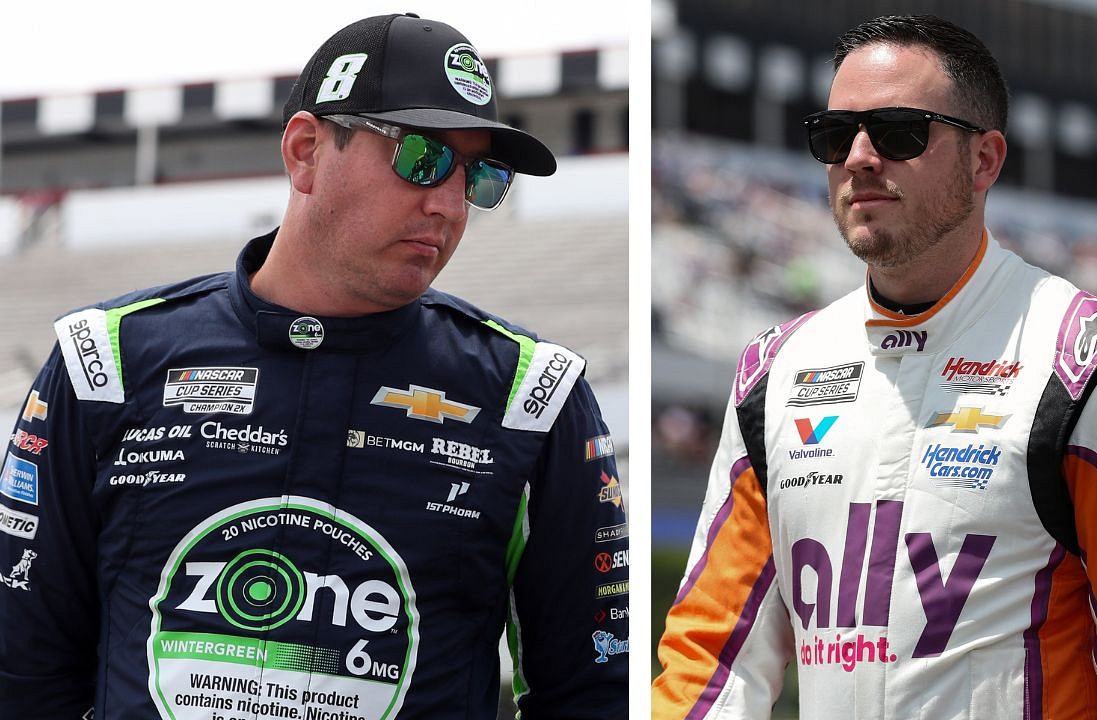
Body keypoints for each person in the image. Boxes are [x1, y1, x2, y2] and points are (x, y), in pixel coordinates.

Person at [0, 13, 627, 719]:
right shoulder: (103, 363)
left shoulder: (532, 395)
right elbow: (22, 675)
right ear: (305, 151)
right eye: (422, 157)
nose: (448, 203)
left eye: (480, 176)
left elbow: (592, 692)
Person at [653, 14, 1097, 720]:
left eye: (898, 132)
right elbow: (711, 661)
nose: (858, 157)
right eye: (835, 135)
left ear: (984, 160)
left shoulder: (1094, 357)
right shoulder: (776, 368)